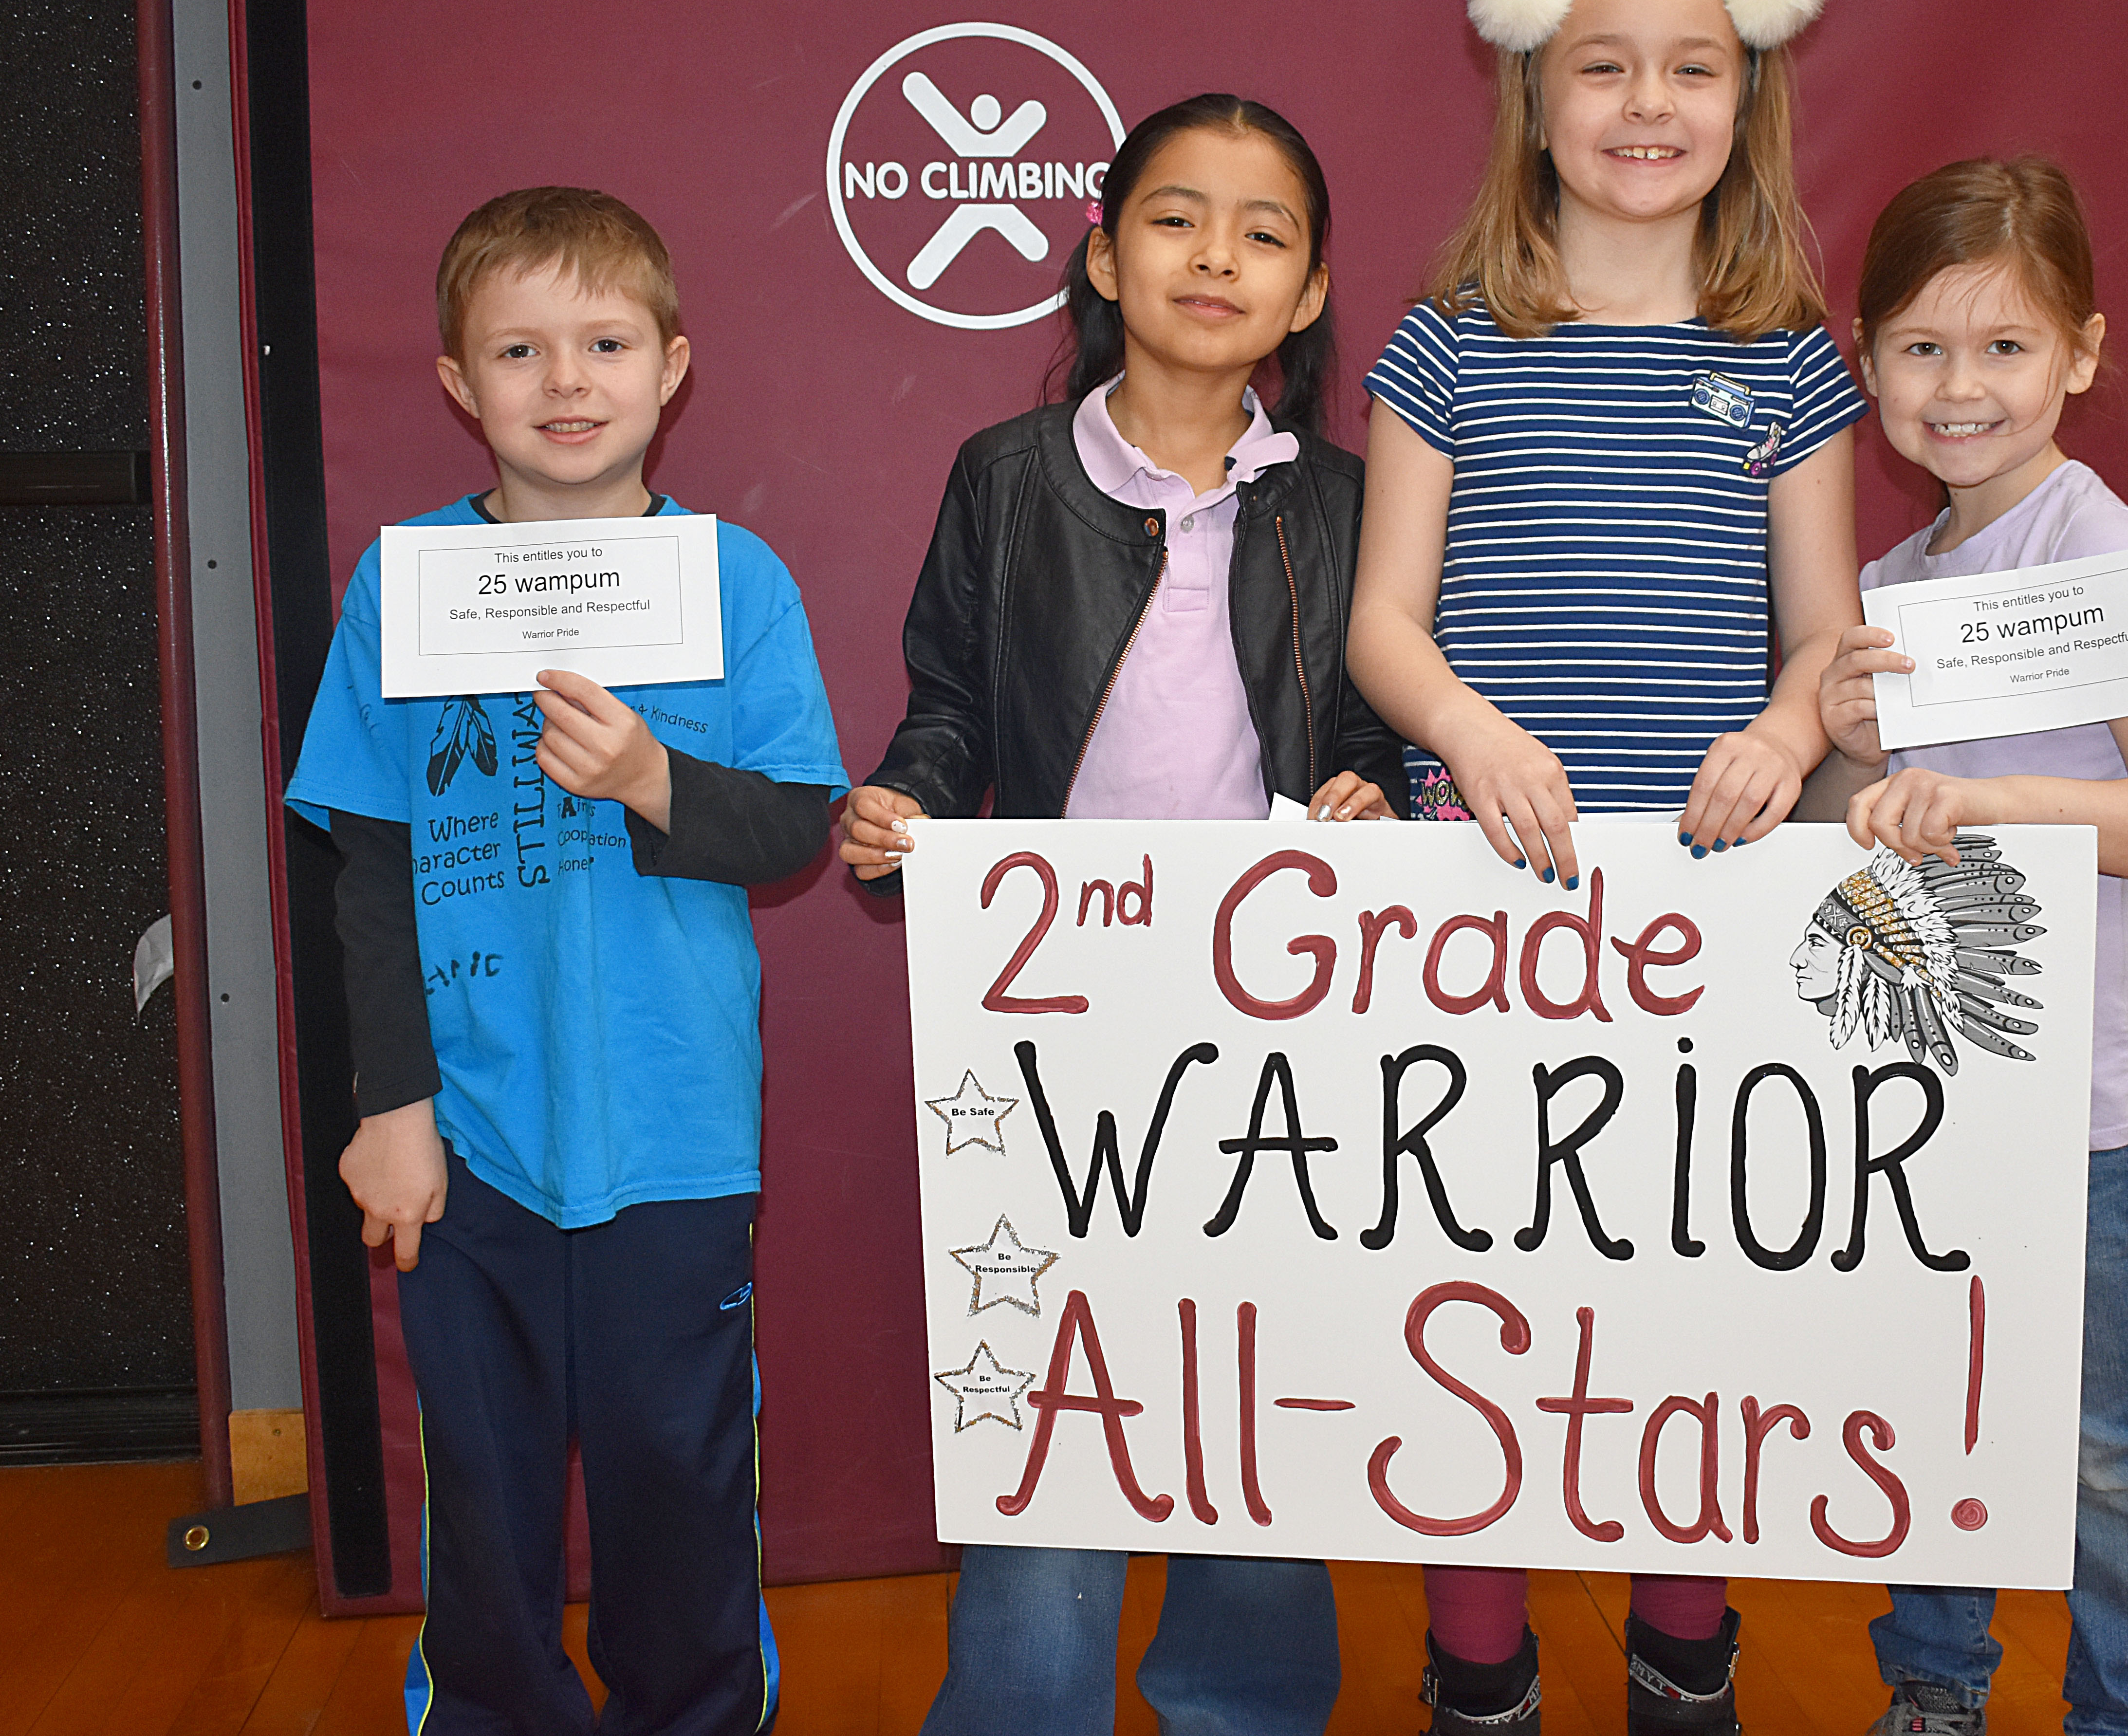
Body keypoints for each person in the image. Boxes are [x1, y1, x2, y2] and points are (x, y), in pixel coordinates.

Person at [1347, 0, 1866, 1736]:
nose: (1648, 103)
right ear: (1533, 92)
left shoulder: (1791, 357)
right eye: (1604, 64)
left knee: (1686, 1291)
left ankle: (1683, 1652)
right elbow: (1383, 625)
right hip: (1482, 900)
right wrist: (1467, 729)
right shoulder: (1449, 342)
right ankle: (1478, 1667)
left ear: (1749, 97)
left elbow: (1823, 637)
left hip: (1709, 907)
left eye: (1691, 67)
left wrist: (1788, 730)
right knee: (1477, 1283)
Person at [838, 93, 1404, 1736]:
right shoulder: (1007, 477)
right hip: (1057, 1039)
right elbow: (949, 707)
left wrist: (1377, 795)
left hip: (1286, 1045)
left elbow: (1377, 732)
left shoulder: (1347, 501)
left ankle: (1245, 1709)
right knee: (1052, 1415)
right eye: (1175, 216)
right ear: (1101, 255)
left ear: (1306, 295)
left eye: (1265, 230)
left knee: (1257, 1416)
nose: (1214, 254)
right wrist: (909, 803)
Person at [286, 186, 849, 1736]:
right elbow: (369, 857)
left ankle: (694, 1711)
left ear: (673, 366)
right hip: (471, 1141)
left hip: (674, 1136)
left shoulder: (735, 582)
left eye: (604, 342)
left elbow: (796, 822)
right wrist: (390, 1104)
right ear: (462, 384)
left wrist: (656, 778)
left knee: (679, 1477)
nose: (568, 381)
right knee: (481, 1476)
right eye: (520, 350)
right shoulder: (403, 586)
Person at [1804, 156, 2128, 1736]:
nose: (1962, 386)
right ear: (1868, 364)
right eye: (1922, 348)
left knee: (2092, 1438)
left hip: (2075, 1110)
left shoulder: (2101, 551)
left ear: (2082, 352)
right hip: (1926, 1092)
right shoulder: (1894, 582)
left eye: (2004, 347)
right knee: (1933, 1409)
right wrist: (1843, 752)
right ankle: (1938, 1689)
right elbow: (1858, 839)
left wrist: (1991, 797)